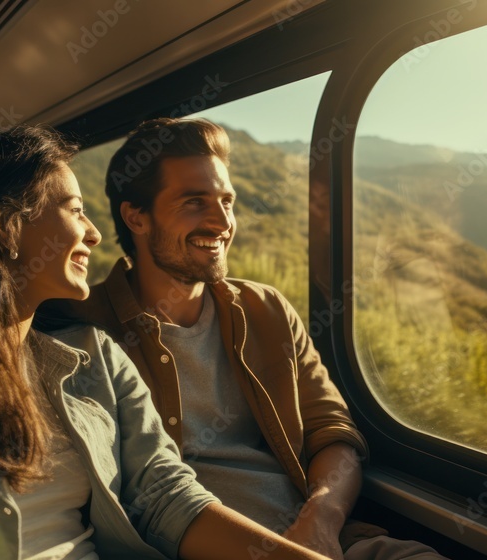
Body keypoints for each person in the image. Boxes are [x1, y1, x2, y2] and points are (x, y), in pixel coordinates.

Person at [0, 125, 330, 560]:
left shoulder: (95, 356)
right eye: (75, 211)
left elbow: (167, 496)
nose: (95, 234)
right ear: (6, 226)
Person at [36, 118, 448, 560]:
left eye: (227, 201)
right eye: (195, 202)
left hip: (328, 542)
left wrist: (319, 523)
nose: (221, 222)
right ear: (136, 216)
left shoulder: (265, 309)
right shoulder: (77, 326)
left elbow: (333, 432)